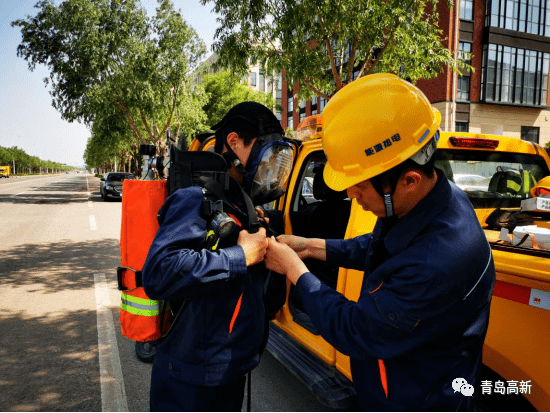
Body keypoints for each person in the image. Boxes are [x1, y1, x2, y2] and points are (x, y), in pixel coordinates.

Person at [265, 74, 496, 411]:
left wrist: (295, 270)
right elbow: (377, 247)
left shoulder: (438, 261)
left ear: (409, 180)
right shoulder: (437, 201)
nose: (349, 193)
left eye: (358, 184)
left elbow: (355, 329)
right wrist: (311, 246)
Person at [142, 102, 292, 412]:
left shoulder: (240, 205)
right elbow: (158, 272)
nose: (272, 168)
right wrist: (241, 256)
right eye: (267, 155)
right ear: (235, 142)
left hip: (230, 372)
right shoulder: (195, 198)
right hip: (191, 381)